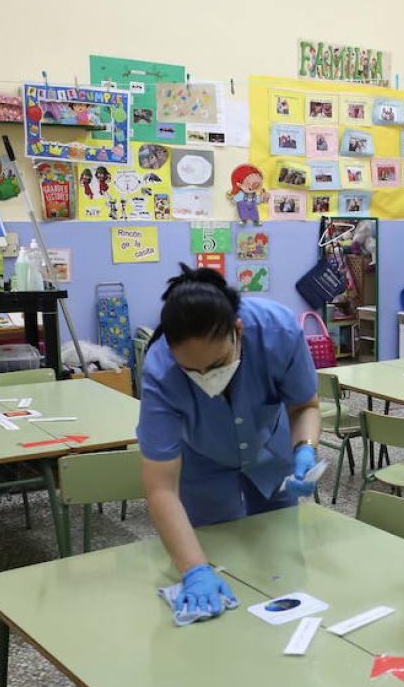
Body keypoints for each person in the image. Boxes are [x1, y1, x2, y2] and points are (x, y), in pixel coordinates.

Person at [138, 265, 322, 619]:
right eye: (192, 370)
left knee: (278, 557)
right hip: (203, 460)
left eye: (217, 362)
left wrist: (305, 448)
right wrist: (193, 571)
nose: (206, 377)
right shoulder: (160, 371)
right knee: (218, 554)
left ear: (237, 330)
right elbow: (161, 488)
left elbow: (304, 405)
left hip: (269, 452)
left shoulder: (278, 331)